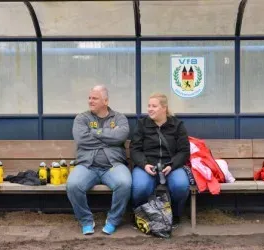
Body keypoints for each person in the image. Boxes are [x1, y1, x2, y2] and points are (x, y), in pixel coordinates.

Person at [66, 85, 131, 235]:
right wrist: (109, 138)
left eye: (94, 98)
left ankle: (113, 220)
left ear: (106, 101)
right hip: (87, 166)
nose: (90, 101)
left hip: (113, 166)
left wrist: (95, 133)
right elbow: (82, 140)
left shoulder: (119, 118)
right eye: (89, 98)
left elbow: (120, 136)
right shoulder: (82, 118)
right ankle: (86, 221)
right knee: (73, 185)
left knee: (125, 183)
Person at [130, 93, 190, 227]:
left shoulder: (177, 125)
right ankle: (140, 215)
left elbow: (184, 151)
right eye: (149, 106)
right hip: (147, 166)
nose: (150, 109)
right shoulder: (142, 124)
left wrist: (172, 165)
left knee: (181, 186)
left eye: (154, 106)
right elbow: (135, 149)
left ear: (164, 108)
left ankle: (174, 214)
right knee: (140, 187)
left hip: (171, 166)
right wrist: (144, 165)